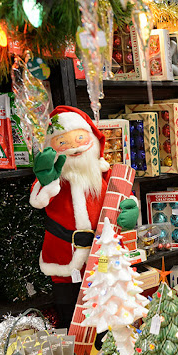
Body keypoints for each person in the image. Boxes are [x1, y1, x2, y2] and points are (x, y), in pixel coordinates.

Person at [29, 106, 138, 328]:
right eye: (63, 142)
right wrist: (47, 180)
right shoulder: (55, 178)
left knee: (106, 315)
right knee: (69, 318)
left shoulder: (104, 173)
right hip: (64, 257)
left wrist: (130, 209)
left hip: (102, 258)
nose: (74, 146)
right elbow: (38, 200)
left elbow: (124, 196)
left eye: (80, 138)